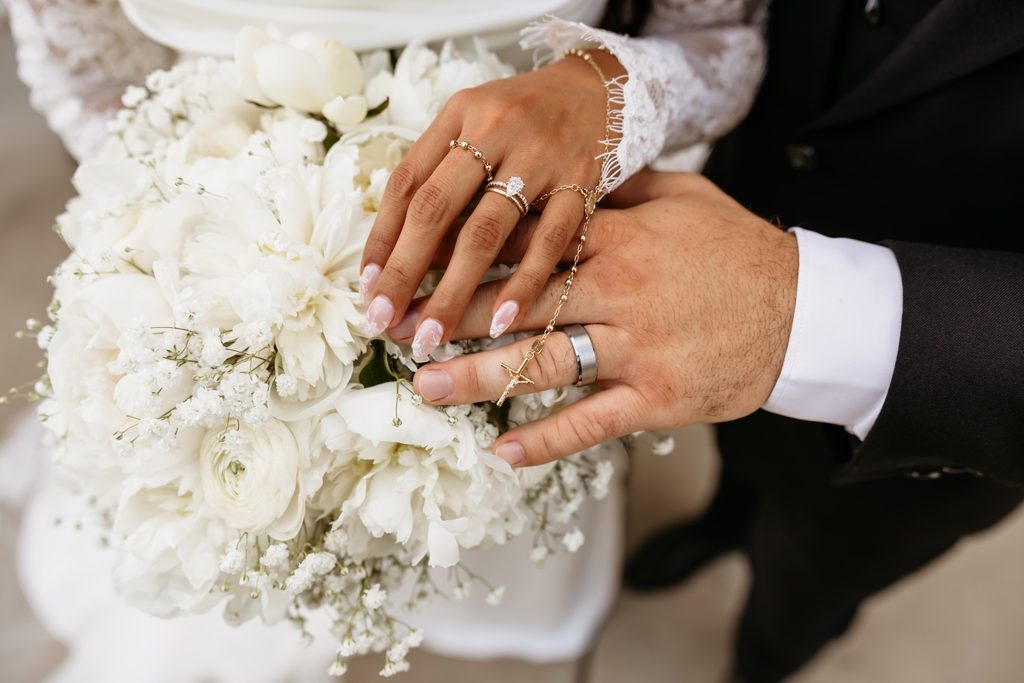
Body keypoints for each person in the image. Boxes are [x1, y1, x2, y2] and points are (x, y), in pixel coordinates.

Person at [1, 0, 774, 681]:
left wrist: (600, 90)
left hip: (518, 272)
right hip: (208, 255)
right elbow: (92, 83)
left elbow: (716, 38)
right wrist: (188, 239)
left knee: (471, 488)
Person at [407, 2, 1024, 681]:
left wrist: (794, 311)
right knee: (738, 460)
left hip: (924, 424)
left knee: (804, 588)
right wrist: (610, 83)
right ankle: (719, 524)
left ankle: (761, 659)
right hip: (739, 200)